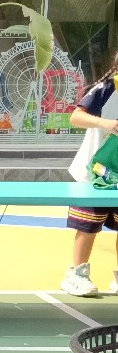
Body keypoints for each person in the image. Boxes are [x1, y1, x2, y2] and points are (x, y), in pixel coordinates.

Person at [61, 60, 118, 297]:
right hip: (93, 173)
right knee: (88, 226)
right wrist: (104, 123)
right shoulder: (107, 88)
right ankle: (77, 274)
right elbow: (75, 118)